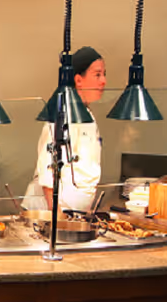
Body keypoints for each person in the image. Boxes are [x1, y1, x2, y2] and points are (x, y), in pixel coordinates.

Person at [24, 46, 106, 212]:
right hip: (48, 213)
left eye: (104, 74)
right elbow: (48, 170)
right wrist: (57, 219)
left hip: (74, 213)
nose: (103, 81)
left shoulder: (87, 115)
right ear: (78, 80)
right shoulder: (61, 115)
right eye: (97, 75)